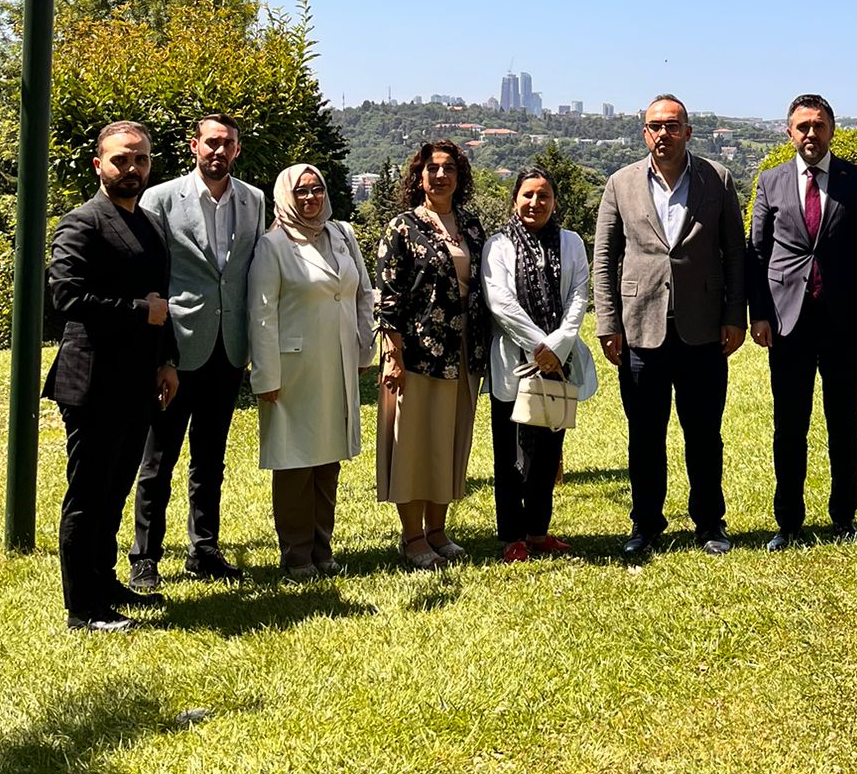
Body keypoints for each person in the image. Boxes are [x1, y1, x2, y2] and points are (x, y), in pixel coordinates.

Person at [593, 96, 747, 563]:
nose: (663, 134)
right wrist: (608, 323)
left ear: (688, 132)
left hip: (703, 329)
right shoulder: (620, 183)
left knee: (704, 434)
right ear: (645, 133)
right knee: (644, 435)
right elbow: (605, 258)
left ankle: (709, 521)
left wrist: (734, 316)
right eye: (655, 126)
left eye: (672, 126)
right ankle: (645, 524)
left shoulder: (717, 179)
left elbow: (735, 253)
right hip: (641, 330)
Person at [44, 121, 179, 631]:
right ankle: (83, 608)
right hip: (93, 382)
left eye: (140, 158)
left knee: (116, 489)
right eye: (121, 159)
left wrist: (166, 361)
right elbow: (67, 298)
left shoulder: (149, 224)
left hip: (139, 380)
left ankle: (104, 582)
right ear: (98, 164)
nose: (132, 168)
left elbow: (161, 301)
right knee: (89, 494)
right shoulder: (82, 223)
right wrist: (138, 312)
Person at [131, 112, 266, 590]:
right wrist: (161, 356)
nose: (218, 151)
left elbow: (251, 273)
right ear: (195, 146)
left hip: (228, 349)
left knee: (210, 459)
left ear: (237, 150)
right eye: (211, 142)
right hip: (177, 349)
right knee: (158, 460)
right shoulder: (160, 198)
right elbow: (150, 278)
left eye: (227, 143)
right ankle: (145, 556)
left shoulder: (254, 199)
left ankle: (203, 549)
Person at [747, 95, 857, 547]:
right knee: (790, 427)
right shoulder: (770, 181)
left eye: (819, 125)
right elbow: (757, 254)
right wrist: (758, 314)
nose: (811, 133)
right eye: (803, 126)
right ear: (789, 132)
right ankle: (788, 523)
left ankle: (843, 519)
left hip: (846, 322)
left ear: (832, 129)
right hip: (787, 323)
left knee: (844, 424)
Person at [248, 164, 375, 580]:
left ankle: (323, 548)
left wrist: (365, 347)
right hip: (294, 372)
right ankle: (296, 555)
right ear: (286, 196)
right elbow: (261, 314)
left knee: (328, 460)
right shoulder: (273, 245)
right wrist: (266, 376)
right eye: (300, 191)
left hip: (338, 363)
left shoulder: (342, 235)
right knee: (295, 464)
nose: (310, 198)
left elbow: (362, 293)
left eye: (316, 189)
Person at [375, 141, 490, 569]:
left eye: (449, 169)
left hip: (464, 352)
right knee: (414, 444)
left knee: (449, 440)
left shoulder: (472, 227)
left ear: (460, 177)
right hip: (417, 353)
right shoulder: (403, 227)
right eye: (432, 168)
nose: (440, 175)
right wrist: (392, 355)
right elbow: (388, 296)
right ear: (419, 177)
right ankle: (412, 537)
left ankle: (438, 531)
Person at [481, 166, 598, 562]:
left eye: (543, 195)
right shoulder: (498, 245)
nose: (535, 202)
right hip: (515, 362)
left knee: (549, 449)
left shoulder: (571, 242)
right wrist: (539, 346)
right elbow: (500, 302)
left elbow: (579, 295)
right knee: (510, 452)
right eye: (528, 195)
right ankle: (512, 535)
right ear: (515, 199)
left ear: (554, 201)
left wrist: (558, 346)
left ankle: (538, 531)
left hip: (559, 363)